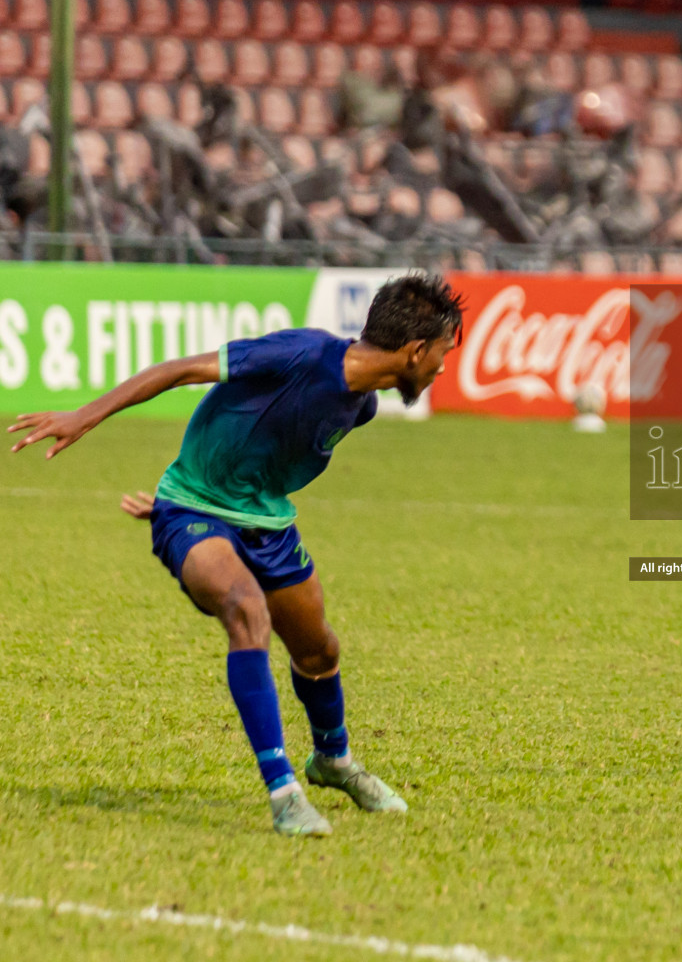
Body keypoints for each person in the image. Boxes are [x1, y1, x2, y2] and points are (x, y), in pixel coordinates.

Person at [9, 274, 464, 836]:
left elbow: (262, 451)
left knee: (319, 650)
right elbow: (178, 370)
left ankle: (333, 761)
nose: (443, 367)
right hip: (192, 509)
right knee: (247, 611)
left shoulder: (362, 406)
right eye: (444, 353)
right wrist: (87, 416)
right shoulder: (300, 352)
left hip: (267, 526)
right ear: (416, 351)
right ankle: (284, 791)